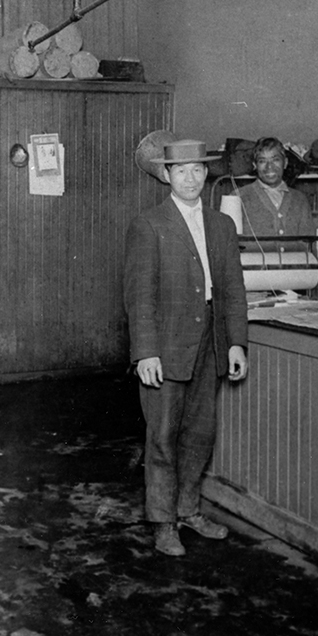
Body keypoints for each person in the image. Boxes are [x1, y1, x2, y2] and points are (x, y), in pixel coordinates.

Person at [124, 139, 249, 557]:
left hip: (210, 343)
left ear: (206, 172)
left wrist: (236, 343)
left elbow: (233, 290)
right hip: (166, 345)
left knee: (200, 434)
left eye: (197, 169)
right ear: (166, 175)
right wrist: (145, 352)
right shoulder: (149, 224)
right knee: (162, 436)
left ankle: (189, 510)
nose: (190, 178)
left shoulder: (222, 225)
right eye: (181, 170)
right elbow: (139, 296)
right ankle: (163, 523)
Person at [230, 137, 316, 251]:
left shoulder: (300, 200)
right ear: (255, 165)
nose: (269, 167)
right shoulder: (238, 197)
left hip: (294, 263)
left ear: (285, 163)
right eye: (262, 161)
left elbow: (310, 249)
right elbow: (229, 246)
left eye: (275, 160)